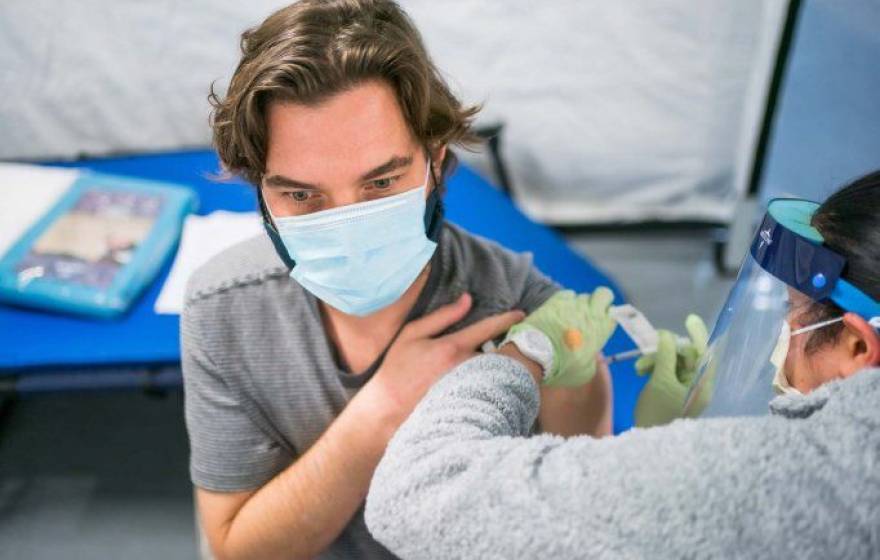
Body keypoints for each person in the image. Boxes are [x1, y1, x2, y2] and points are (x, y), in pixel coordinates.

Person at [181, 1, 616, 558]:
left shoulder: (527, 315)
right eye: (301, 194)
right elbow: (238, 550)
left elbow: (574, 527)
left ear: (434, 159)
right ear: (260, 191)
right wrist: (382, 412)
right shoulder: (221, 309)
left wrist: (580, 378)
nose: (346, 228)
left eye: (381, 183)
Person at [365, 172, 880, 559]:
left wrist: (526, 354)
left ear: (859, 347)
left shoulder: (801, 479)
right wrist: (664, 444)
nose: (780, 342)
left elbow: (417, 494)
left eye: (792, 312)